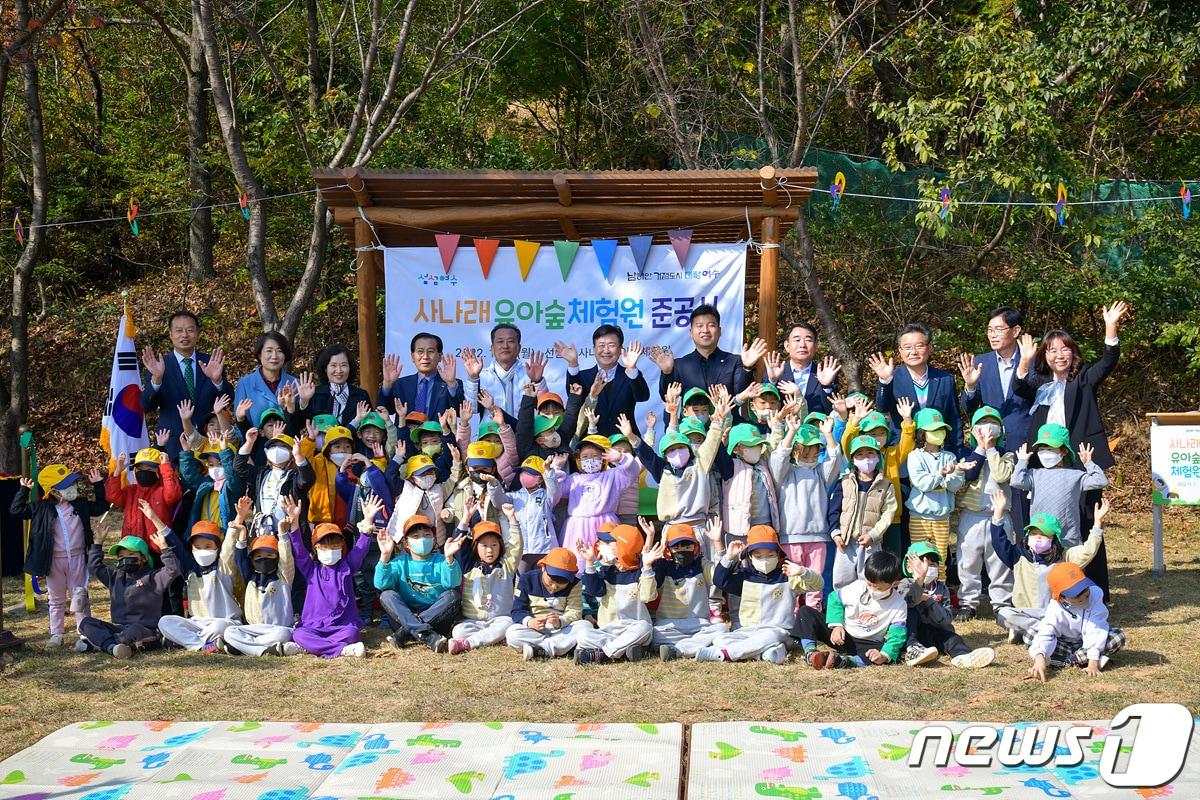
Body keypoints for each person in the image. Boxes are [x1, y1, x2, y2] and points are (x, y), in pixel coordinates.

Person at [1016, 301, 1128, 599]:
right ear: (1045, 356)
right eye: (1051, 350)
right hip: (1045, 464)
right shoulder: (1040, 383)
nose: (1058, 355)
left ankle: (1095, 590)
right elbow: (1019, 388)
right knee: (1046, 524)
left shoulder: (1083, 379)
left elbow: (1108, 362)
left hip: (1081, 460)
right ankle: (1053, 587)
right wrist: (1024, 362)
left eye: (1064, 349)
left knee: (1087, 520)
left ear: (1072, 352)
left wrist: (1110, 327)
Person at [989, 490, 1107, 642]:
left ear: (1054, 538)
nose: (1038, 538)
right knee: (1003, 614)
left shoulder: (1064, 556)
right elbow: (999, 543)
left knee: (1032, 638)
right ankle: (1041, 628)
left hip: (1054, 611)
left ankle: (1031, 631)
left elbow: (1087, 552)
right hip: (1025, 611)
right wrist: (998, 514)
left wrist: (1097, 525)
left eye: (1044, 534)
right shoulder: (1018, 555)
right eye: (1033, 533)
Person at [15, 465, 108, 646]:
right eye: (66, 485)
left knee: (80, 595)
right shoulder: (40, 508)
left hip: (78, 558)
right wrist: (24, 490)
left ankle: (85, 631)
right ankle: (57, 633)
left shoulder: (80, 504)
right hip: (52, 561)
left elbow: (100, 507)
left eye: (72, 484)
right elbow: (16, 510)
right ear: (53, 491)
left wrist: (98, 485)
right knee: (56, 598)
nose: (73, 488)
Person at [702, 525, 823, 664]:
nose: (765, 560)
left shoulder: (788, 576)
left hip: (779, 631)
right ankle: (766, 654)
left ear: (778, 555)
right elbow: (719, 581)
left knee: (771, 635)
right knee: (720, 639)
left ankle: (726, 654)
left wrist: (803, 571)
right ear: (750, 556)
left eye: (770, 555)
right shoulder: (745, 577)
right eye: (758, 556)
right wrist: (729, 557)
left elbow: (818, 585)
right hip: (748, 631)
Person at [959, 307, 1033, 531]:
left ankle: (1024, 559)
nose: (993, 335)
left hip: (1024, 441)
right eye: (989, 330)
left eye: (999, 329)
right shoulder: (982, 362)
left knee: (1022, 505)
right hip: (991, 445)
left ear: (1016, 330)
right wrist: (970, 386)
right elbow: (969, 407)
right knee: (992, 503)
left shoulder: (1032, 359)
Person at [76, 517, 179, 659]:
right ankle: (112, 647)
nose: (125, 558)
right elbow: (95, 567)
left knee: (133, 630)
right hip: (118, 628)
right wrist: (98, 543)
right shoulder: (115, 577)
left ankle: (99, 643)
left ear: (143, 558)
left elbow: (173, 570)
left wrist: (164, 548)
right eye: (121, 556)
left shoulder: (154, 577)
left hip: (145, 630)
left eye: (131, 554)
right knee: (86, 623)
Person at [768, 414, 842, 610]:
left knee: (814, 581)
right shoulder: (785, 472)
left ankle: (811, 618)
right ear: (795, 452)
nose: (810, 459)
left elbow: (835, 460)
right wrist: (791, 432)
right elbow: (777, 459)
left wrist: (828, 435)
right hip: (790, 537)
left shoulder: (820, 472)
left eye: (814, 455)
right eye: (805, 455)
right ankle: (791, 620)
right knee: (792, 582)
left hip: (818, 536)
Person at [290, 495, 377, 658]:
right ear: (316, 548)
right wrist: (294, 523)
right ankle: (342, 650)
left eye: (335, 545)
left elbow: (360, 549)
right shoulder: (311, 569)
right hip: (313, 625)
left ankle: (310, 648)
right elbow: (299, 551)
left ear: (342, 547)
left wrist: (368, 522)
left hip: (341, 626)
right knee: (298, 634)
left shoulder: (347, 566)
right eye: (325, 546)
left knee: (352, 634)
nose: (330, 550)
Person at [140, 311, 232, 460]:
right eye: (179, 331)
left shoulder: (210, 362)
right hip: (173, 442)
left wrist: (217, 381)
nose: (184, 335)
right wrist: (156, 379)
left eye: (190, 330)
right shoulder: (159, 365)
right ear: (170, 334)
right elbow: (146, 405)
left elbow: (228, 398)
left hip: (210, 443)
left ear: (197, 333)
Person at [793, 550, 907, 669]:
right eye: (869, 584)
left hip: (867, 644)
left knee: (888, 652)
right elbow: (834, 598)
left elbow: (897, 634)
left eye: (878, 588)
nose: (872, 589)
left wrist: (883, 655)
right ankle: (810, 653)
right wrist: (837, 625)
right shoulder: (857, 586)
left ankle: (844, 661)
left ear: (894, 584)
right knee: (805, 612)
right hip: (842, 635)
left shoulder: (899, 604)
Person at [952, 408, 1016, 621]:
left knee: (999, 561)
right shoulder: (966, 455)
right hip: (971, 516)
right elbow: (967, 476)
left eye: (992, 423)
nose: (988, 428)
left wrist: (990, 449)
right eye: (983, 423)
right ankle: (968, 602)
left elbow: (1001, 474)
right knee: (967, 561)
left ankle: (1002, 604)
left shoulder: (1007, 455)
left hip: (999, 516)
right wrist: (980, 449)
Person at [221, 497, 302, 656]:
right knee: (230, 632)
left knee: (285, 634)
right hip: (254, 629)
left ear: (277, 557)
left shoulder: (284, 577)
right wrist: (243, 533)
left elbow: (286, 558)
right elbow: (240, 559)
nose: (263, 559)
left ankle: (246, 648)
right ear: (252, 560)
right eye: (258, 557)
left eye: (269, 555)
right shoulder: (250, 577)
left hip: (278, 629)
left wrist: (282, 532)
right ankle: (264, 650)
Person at [376, 514, 465, 653]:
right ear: (406, 542)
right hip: (403, 617)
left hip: (437, 619)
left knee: (453, 595)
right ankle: (426, 634)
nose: (422, 539)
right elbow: (381, 585)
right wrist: (385, 557)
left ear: (434, 539)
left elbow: (452, 584)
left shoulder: (442, 560)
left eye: (427, 535)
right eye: (416, 536)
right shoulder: (398, 563)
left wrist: (449, 558)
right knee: (387, 595)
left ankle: (407, 632)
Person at [898, 542, 995, 669]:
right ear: (909, 567)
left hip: (935, 631)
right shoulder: (904, 584)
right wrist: (920, 580)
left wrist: (929, 600)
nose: (927, 569)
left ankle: (964, 656)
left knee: (952, 638)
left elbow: (946, 621)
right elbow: (908, 602)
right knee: (911, 611)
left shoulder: (941, 588)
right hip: (912, 634)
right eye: (923, 564)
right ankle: (913, 649)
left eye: (932, 565)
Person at [839, 398, 916, 555]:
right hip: (866, 519)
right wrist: (855, 422)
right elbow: (847, 443)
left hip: (892, 518)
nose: (878, 437)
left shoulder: (893, 454)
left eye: (882, 433)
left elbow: (907, 444)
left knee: (892, 558)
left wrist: (907, 420)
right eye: (872, 433)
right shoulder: (860, 455)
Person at [155, 514, 242, 652]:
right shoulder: (190, 567)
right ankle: (203, 646)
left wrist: (240, 517)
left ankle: (184, 642)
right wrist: (153, 517)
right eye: (198, 547)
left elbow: (229, 546)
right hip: (197, 622)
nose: (203, 551)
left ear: (217, 547)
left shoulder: (224, 567)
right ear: (192, 549)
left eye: (208, 546)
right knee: (164, 621)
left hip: (224, 621)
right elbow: (174, 542)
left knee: (220, 627)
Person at [1010, 425, 1108, 548]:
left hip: (1068, 537)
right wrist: (1022, 462)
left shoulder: (1076, 475)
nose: (1045, 452)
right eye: (1042, 448)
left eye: (1050, 448)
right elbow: (1016, 481)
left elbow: (1100, 481)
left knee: (1069, 566)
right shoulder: (1034, 474)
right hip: (1041, 536)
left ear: (1064, 450)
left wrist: (1089, 463)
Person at [574, 523, 657, 664]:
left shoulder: (639, 572)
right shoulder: (606, 571)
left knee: (645, 627)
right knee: (582, 633)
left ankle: (603, 654)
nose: (605, 547)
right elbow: (594, 590)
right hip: (608, 630)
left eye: (612, 543)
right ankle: (626, 650)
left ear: (623, 550)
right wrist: (589, 562)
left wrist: (648, 567)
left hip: (633, 627)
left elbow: (647, 596)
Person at [1026, 562, 1125, 681]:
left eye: (1084, 590)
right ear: (1061, 597)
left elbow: (1097, 628)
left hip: (1086, 644)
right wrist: (1039, 659)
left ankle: (1066, 660)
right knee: (1030, 634)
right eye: (1076, 596)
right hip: (1063, 644)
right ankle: (1074, 660)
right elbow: (1046, 633)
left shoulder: (1095, 594)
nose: (1083, 597)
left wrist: (1093, 662)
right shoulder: (1055, 608)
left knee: (1117, 636)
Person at [869, 323, 962, 448]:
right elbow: (882, 407)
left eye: (919, 346)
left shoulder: (945, 379)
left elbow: (954, 417)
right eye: (907, 347)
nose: (913, 352)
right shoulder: (892, 378)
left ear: (929, 348)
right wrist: (885, 381)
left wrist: (957, 448)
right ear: (900, 351)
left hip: (938, 449)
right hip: (902, 450)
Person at [546, 435, 640, 557]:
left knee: (607, 558)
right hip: (577, 528)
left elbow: (632, 472)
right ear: (579, 460)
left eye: (595, 456)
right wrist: (555, 468)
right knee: (579, 559)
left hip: (605, 524)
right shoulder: (574, 479)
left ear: (603, 458)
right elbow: (555, 491)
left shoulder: (613, 476)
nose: (590, 460)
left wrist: (621, 458)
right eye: (585, 457)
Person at [448, 508, 523, 654]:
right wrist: (465, 518)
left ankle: (467, 644)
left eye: (494, 545)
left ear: (500, 546)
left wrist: (512, 519)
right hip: (473, 621)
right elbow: (458, 543)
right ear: (476, 547)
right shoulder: (469, 567)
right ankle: (494, 638)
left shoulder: (506, 566)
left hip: (500, 618)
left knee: (508, 624)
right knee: (458, 631)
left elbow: (516, 546)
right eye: (484, 546)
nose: (490, 550)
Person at [649, 304, 764, 400]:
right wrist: (667, 372)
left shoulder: (734, 361)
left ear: (719, 331)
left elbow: (742, 394)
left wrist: (747, 367)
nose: (705, 330)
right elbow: (667, 397)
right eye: (699, 326)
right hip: (692, 426)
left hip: (728, 425)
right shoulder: (679, 365)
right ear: (691, 332)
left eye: (711, 325)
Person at [651, 521, 729, 661]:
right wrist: (648, 563)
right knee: (654, 634)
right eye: (677, 547)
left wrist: (718, 543)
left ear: (696, 547)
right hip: (669, 625)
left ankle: (677, 650)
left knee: (722, 629)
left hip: (699, 624)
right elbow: (648, 592)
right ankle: (699, 646)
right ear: (668, 549)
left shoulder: (701, 563)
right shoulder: (662, 566)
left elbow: (719, 576)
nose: (682, 550)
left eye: (687, 546)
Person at [829, 436, 897, 588]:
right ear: (853, 459)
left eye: (870, 454)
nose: (865, 458)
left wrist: (873, 535)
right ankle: (844, 610)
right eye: (860, 455)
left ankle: (867, 610)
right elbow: (834, 509)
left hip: (871, 543)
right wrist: (835, 533)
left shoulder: (886, 485)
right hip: (845, 543)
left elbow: (888, 514)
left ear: (878, 457)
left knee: (870, 580)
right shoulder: (845, 481)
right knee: (842, 581)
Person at [559, 325, 650, 437]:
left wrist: (631, 368)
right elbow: (572, 396)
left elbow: (643, 396)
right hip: (591, 444)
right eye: (601, 345)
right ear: (594, 349)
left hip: (625, 443)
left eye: (611, 345)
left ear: (621, 349)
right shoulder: (583, 376)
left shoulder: (630, 375)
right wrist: (573, 364)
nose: (606, 351)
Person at [905, 408, 966, 563]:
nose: (939, 433)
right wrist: (941, 474)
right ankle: (918, 587)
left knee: (940, 558)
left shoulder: (950, 456)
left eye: (941, 429)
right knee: (918, 557)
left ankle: (940, 587)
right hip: (919, 516)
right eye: (934, 430)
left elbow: (953, 486)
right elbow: (922, 483)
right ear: (921, 433)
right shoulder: (915, 456)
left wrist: (957, 471)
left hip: (942, 517)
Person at [505, 547, 590, 660]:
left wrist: (560, 622)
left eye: (561, 584)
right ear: (543, 567)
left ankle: (543, 649)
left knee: (585, 626)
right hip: (535, 630)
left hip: (562, 629)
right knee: (512, 633)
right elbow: (517, 610)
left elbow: (575, 612)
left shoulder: (575, 584)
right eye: (551, 581)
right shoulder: (527, 579)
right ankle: (560, 646)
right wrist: (529, 622)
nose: (554, 587)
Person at [105, 447, 183, 556]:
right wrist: (117, 472)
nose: (144, 473)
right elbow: (112, 496)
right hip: (132, 548)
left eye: (149, 470)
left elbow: (172, 495)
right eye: (140, 470)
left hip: (157, 547)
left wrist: (166, 467)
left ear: (159, 472)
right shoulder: (130, 491)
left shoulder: (162, 491)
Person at [462, 324, 546, 426]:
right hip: (491, 436)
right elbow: (473, 409)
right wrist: (473, 378)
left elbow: (544, 408)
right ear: (492, 348)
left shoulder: (529, 374)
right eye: (500, 341)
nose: (505, 346)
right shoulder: (482, 376)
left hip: (524, 436)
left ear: (519, 348)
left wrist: (538, 381)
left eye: (510, 341)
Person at [378, 332, 464, 419]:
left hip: (438, 432)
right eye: (420, 351)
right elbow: (383, 410)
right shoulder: (401, 384)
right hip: (406, 432)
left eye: (430, 351)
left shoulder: (451, 384)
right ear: (412, 356)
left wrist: (451, 384)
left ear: (440, 356)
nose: (425, 356)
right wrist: (387, 385)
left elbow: (460, 412)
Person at [766, 322, 841, 414]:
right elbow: (763, 407)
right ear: (787, 346)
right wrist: (772, 381)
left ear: (816, 345)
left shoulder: (826, 374)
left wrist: (826, 386)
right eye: (797, 340)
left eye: (808, 340)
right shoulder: (775, 373)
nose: (802, 345)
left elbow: (832, 412)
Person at [507, 455, 563, 575]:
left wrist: (548, 471)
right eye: (523, 472)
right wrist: (493, 485)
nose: (524, 476)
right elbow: (498, 500)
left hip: (544, 548)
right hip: (523, 549)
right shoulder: (515, 495)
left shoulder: (546, 496)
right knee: (522, 581)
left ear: (540, 478)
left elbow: (555, 492)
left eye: (530, 473)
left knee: (543, 581)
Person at [233, 331, 299, 433]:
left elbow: (300, 423)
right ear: (259, 355)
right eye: (269, 351)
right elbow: (240, 421)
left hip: (289, 445)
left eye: (280, 351)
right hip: (256, 445)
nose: (274, 356)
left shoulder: (295, 383)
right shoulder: (245, 383)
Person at [295, 345, 372, 428]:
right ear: (325, 368)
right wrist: (304, 402)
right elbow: (300, 425)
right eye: (333, 365)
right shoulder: (315, 394)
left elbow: (369, 427)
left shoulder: (361, 396)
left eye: (344, 365)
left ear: (350, 367)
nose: (339, 370)